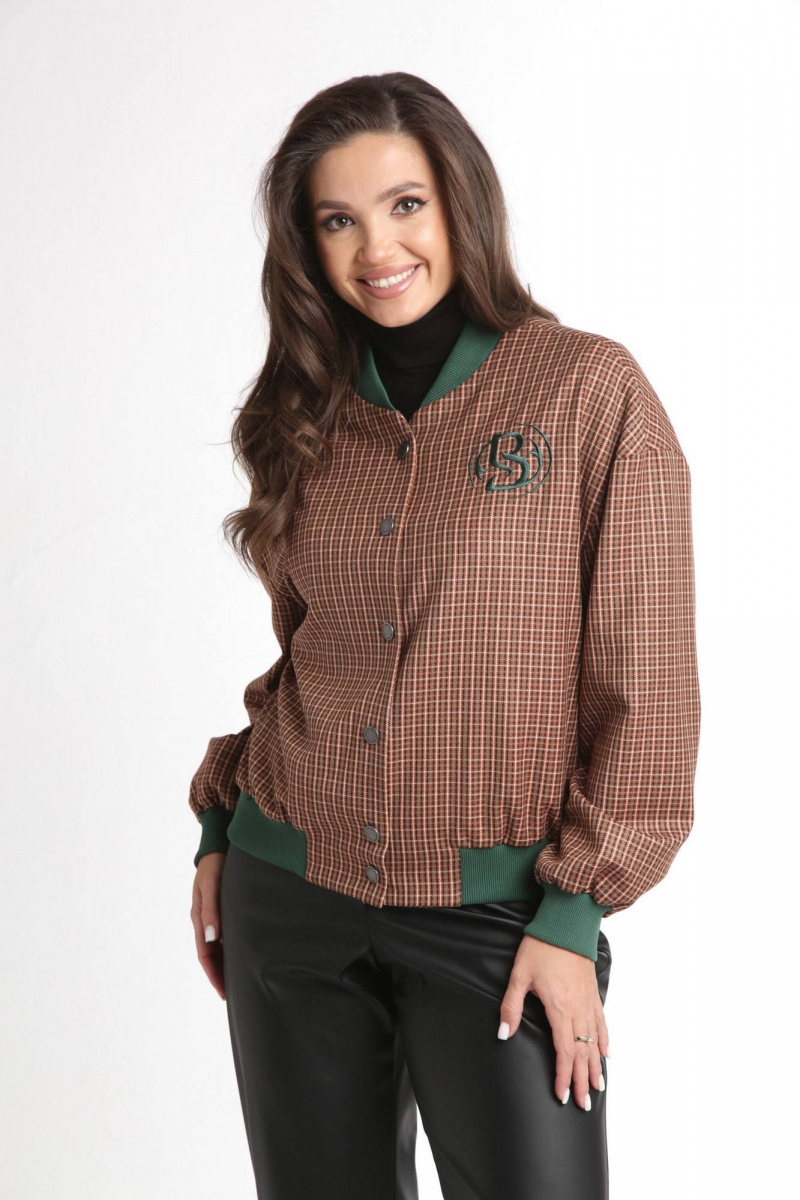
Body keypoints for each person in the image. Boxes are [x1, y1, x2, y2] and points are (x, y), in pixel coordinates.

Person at [187, 71, 700, 1200]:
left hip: (503, 921)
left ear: (461, 201)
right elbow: (310, 651)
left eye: (405, 204)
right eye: (338, 219)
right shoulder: (300, 410)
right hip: (288, 891)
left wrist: (572, 914)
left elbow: (646, 685)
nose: (377, 248)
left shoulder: (587, 392)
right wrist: (221, 821)